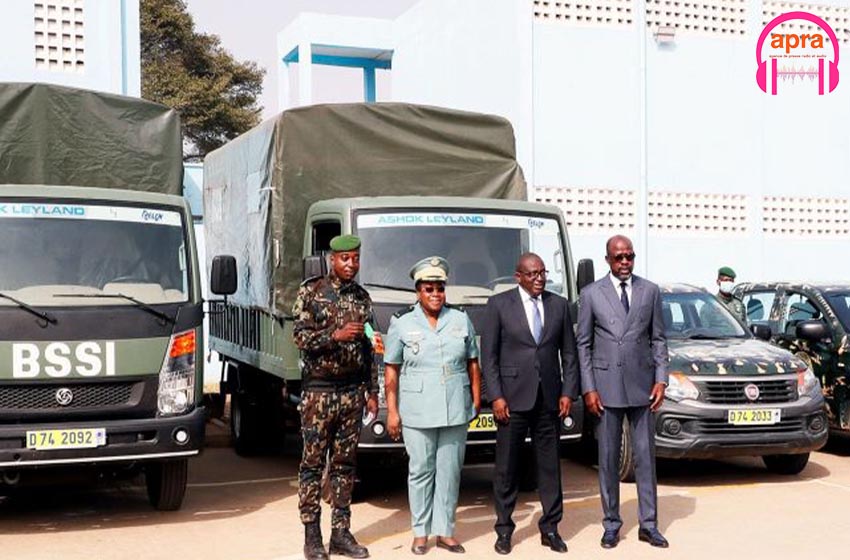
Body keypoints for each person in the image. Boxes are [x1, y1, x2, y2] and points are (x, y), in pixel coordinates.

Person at [481, 252, 580, 555]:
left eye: (542, 273)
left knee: (549, 468)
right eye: (533, 274)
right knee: (507, 468)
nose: (539, 279)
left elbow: (569, 354)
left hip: (549, 399)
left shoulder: (559, 305)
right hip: (511, 400)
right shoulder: (499, 305)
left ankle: (550, 528)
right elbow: (489, 357)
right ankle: (504, 529)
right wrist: (496, 396)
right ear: (518, 277)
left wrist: (568, 392)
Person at [383, 256, 482, 555]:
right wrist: (393, 412)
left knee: (450, 472)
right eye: (429, 289)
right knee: (421, 471)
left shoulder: (460, 318)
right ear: (418, 291)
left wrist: (476, 399)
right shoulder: (401, 322)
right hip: (417, 409)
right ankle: (420, 532)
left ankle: (445, 531)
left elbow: (472, 361)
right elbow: (391, 370)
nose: (436, 294)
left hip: (455, 407)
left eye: (440, 288)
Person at [576, 235, 669, 550]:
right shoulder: (591, 294)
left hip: (643, 387)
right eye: (619, 257)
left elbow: (658, 339)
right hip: (606, 388)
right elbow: (583, 344)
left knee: (645, 458)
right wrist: (588, 388)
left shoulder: (649, 291)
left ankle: (649, 524)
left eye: (630, 256)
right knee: (608, 460)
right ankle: (611, 524)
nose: (625, 262)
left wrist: (661, 379)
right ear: (608, 260)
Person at [292, 234, 380, 560]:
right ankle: (312, 535)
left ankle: (341, 533)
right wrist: (335, 335)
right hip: (319, 392)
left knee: (345, 465)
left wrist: (373, 391)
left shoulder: (362, 298)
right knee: (313, 465)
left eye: (356, 258)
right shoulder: (312, 292)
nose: (351, 264)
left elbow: (370, 349)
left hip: (353, 392)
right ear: (333, 259)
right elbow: (300, 337)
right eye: (345, 258)